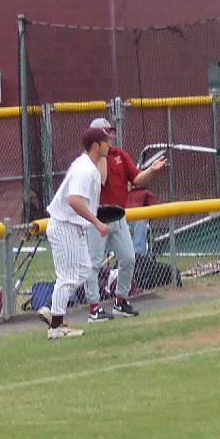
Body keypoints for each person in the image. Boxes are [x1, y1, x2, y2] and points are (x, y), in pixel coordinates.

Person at [83, 117, 166, 321]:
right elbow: (101, 180)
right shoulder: (87, 160)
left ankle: (120, 300)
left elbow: (136, 179)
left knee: (128, 258)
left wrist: (151, 171)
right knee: (93, 263)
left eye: (109, 133)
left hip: (118, 217)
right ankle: (94, 306)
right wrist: (102, 155)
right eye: (105, 134)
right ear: (96, 141)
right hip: (96, 218)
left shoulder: (120, 154)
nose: (110, 137)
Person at [38, 128, 112, 339]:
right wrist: (97, 222)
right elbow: (75, 200)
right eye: (106, 141)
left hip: (73, 226)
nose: (109, 144)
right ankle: (56, 327)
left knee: (84, 270)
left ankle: (54, 314)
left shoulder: (89, 166)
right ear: (96, 146)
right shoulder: (85, 168)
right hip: (65, 225)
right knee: (68, 276)